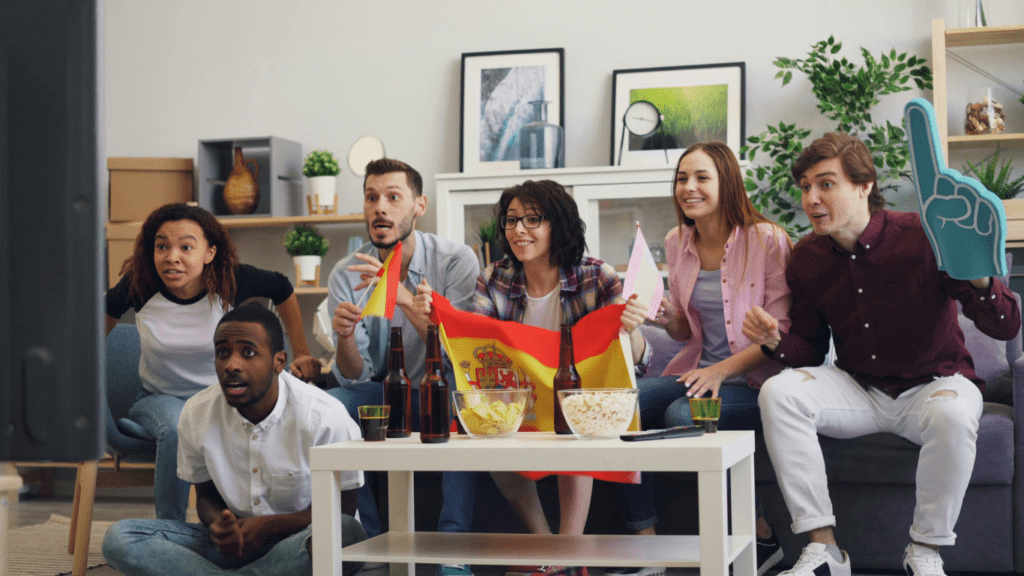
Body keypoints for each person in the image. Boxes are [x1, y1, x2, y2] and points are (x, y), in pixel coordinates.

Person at [744, 132, 1021, 576]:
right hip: (859, 390)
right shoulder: (808, 258)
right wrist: (776, 340)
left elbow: (1005, 326)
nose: (811, 198)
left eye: (826, 184)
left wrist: (982, 278)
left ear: (864, 185)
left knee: (953, 415)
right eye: (804, 187)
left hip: (935, 387)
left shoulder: (924, 237)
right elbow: (810, 351)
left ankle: (925, 551)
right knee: (779, 392)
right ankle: (825, 550)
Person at [417, 179, 651, 576]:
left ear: (558, 224)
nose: (518, 230)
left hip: (579, 403)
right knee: (488, 428)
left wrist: (634, 330)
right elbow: (474, 347)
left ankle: (569, 553)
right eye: (511, 221)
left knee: (575, 420)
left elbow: (632, 361)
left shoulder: (597, 276)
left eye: (532, 219)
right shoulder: (494, 278)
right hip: (520, 398)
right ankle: (547, 549)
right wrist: (434, 315)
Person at [102, 304, 365, 576]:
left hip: (302, 542)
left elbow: (342, 510)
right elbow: (205, 498)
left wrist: (268, 526)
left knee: (346, 532)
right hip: (236, 546)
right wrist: (220, 526)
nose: (231, 365)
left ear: (279, 361)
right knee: (122, 537)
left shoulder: (324, 416)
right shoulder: (196, 413)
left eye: (248, 352)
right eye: (222, 353)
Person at [628, 142, 792, 575]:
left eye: (702, 177)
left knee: (686, 412)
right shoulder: (676, 240)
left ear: (727, 182)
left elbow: (782, 335)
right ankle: (648, 549)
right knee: (627, 401)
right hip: (701, 371)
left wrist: (720, 372)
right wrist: (667, 319)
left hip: (759, 382)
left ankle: (759, 534)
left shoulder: (767, 240)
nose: (689, 187)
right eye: (682, 178)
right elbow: (687, 329)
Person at [105, 203, 320, 521]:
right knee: (180, 425)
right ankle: (170, 530)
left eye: (186, 247)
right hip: (160, 399)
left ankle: (260, 527)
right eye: (161, 246)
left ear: (209, 252)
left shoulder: (229, 281)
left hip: (222, 400)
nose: (171, 257)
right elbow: (92, 334)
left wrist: (302, 352)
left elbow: (282, 288)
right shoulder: (140, 285)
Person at [326, 157, 480, 576]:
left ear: (419, 206)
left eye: (394, 197)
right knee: (333, 405)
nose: (381, 208)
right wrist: (343, 337)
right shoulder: (346, 272)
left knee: (461, 402)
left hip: (442, 390)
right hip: (388, 395)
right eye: (372, 198)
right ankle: (369, 546)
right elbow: (356, 374)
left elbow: (456, 353)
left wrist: (398, 293)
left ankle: (453, 554)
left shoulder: (455, 261)